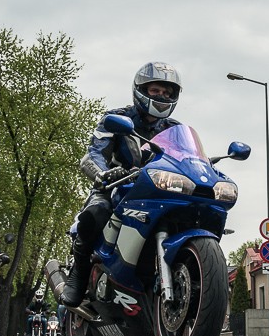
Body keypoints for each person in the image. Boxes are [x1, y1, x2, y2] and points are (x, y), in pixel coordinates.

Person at [61, 62, 183, 307]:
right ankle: (79, 273)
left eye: (167, 93)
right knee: (96, 212)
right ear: (141, 91)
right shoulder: (117, 119)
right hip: (117, 187)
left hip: (157, 193)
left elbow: (187, 158)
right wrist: (104, 174)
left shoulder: (175, 130)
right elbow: (94, 153)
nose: (161, 97)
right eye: (155, 91)